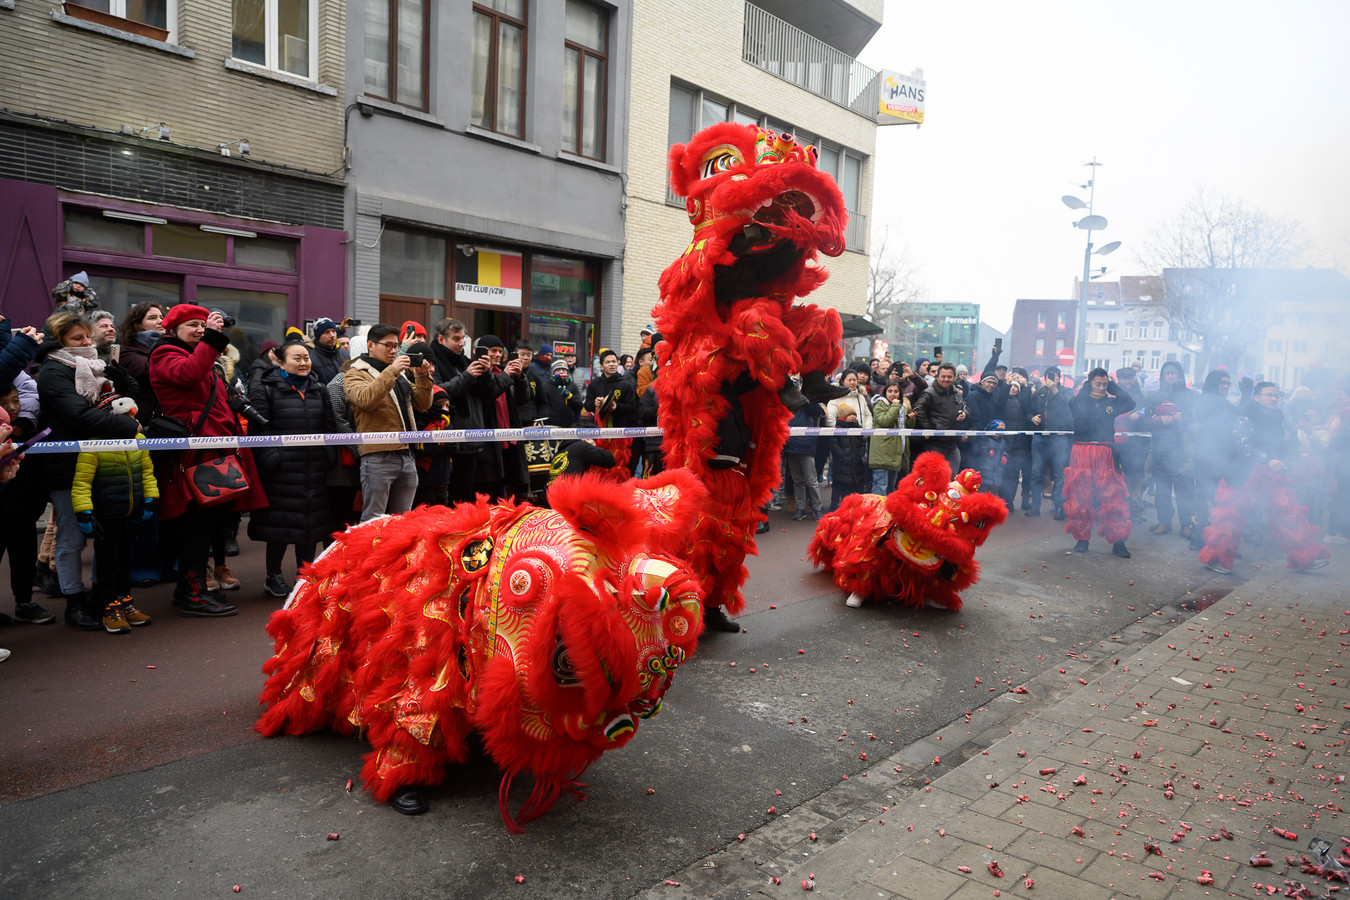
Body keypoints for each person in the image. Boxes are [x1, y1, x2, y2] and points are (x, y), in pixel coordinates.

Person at [150, 304, 268, 616]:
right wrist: (213, 339)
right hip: (196, 451)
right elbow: (189, 374)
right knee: (196, 525)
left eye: (204, 325)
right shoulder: (165, 354)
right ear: (172, 330)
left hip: (214, 448)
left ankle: (188, 590)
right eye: (193, 325)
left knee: (206, 523)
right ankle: (194, 595)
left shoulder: (201, 355)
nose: (201, 330)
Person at [36, 310, 143, 628]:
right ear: (59, 342)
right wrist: (127, 427)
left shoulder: (96, 367)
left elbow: (127, 396)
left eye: (86, 336)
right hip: (67, 466)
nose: (85, 342)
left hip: (103, 465)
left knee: (110, 536)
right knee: (72, 537)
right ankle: (74, 602)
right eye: (76, 339)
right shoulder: (53, 371)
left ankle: (105, 597)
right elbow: (79, 416)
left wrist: (119, 376)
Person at [1199, 382, 1329, 574]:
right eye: (1269, 395)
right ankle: (1216, 559)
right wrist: (1267, 459)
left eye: (1276, 395)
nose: (1274, 399)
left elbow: (1278, 444)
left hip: (1270, 474)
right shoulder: (1244, 416)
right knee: (1231, 516)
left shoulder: (1278, 416)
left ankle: (1304, 557)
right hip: (1242, 473)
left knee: (1288, 511)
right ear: (1257, 397)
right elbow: (1242, 445)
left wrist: (1290, 453)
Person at [248, 339, 338, 597]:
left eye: (306, 358)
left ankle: (305, 574)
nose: (303, 363)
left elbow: (329, 425)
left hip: (315, 467)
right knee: (280, 525)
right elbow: (258, 431)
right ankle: (273, 576)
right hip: (281, 470)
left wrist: (329, 456)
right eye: (296, 358)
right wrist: (271, 458)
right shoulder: (266, 388)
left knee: (311, 524)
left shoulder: (319, 388)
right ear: (280, 361)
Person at [70, 393, 158, 633]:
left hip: (132, 511)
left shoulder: (139, 439)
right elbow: (81, 483)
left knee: (127, 559)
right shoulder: (94, 443)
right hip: (107, 514)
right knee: (108, 562)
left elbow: (148, 472)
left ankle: (125, 601)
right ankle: (110, 607)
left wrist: (150, 499)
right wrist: (84, 513)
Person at [344, 323, 435, 521]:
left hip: (406, 455)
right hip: (377, 457)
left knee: (403, 521)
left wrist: (422, 375)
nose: (394, 350)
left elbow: (423, 404)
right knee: (373, 521)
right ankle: (370, 553)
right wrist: (392, 371)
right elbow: (366, 399)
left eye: (396, 346)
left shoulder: (397, 373)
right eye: (388, 345)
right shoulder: (355, 373)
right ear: (370, 345)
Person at [1063, 368, 1135, 558]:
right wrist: (1089, 385)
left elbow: (1130, 403)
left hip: (1105, 451)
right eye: (1098, 384)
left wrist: (1112, 385)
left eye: (1105, 384)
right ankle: (1082, 538)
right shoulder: (1079, 400)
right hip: (1081, 451)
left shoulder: (1111, 402)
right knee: (1081, 496)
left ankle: (1118, 541)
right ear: (1089, 383)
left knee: (1112, 496)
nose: (1102, 388)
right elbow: (1074, 402)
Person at [428, 318, 494, 503]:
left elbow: (488, 394)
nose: (461, 343)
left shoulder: (464, 361)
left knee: (467, 497)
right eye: (456, 339)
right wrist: (467, 376)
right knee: (448, 498)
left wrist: (486, 373)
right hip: (448, 441)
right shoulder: (433, 360)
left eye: (463, 338)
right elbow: (438, 392)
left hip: (471, 439)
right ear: (441, 339)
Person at [1026, 366, 1073, 519]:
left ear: (1060, 377)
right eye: (1049, 376)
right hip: (1040, 437)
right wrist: (1032, 418)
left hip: (1059, 437)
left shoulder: (1064, 392)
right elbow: (1029, 411)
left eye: (1055, 376)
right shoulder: (1039, 392)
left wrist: (1055, 390)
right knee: (1036, 473)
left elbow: (1068, 407)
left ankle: (1059, 507)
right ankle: (1035, 506)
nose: (1052, 379)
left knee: (1059, 474)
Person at [586, 347, 638, 470]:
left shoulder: (626, 384)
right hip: (599, 434)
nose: (612, 364)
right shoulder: (595, 384)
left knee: (618, 467)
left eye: (614, 361)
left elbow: (633, 408)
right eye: (608, 362)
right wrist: (595, 403)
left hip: (619, 435)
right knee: (599, 467)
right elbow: (587, 404)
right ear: (602, 366)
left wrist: (616, 407)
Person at [1146, 400, 1193, 535]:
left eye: (1170, 415)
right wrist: (1148, 466)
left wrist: (1188, 466)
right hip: (1161, 470)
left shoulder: (1182, 430)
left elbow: (1188, 449)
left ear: (1175, 416)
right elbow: (1152, 449)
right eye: (1164, 415)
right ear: (1159, 416)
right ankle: (1164, 523)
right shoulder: (1156, 430)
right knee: (1161, 498)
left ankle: (1186, 525)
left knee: (1184, 498)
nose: (1167, 418)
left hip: (1179, 470)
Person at [912, 362, 967, 473]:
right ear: (937, 376)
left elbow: (965, 406)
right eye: (943, 376)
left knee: (951, 483)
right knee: (935, 481)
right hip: (934, 445)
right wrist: (928, 428)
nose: (946, 379)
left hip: (953, 445)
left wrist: (965, 413)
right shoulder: (929, 393)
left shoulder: (957, 393)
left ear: (954, 377)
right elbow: (918, 409)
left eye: (949, 376)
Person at [116, 303, 165, 426]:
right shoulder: (127, 353)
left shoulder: (168, 346)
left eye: (162, 317)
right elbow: (156, 371)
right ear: (137, 324)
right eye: (152, 318)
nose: (160, 321)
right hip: (143, 421)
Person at [1114, 366, 1152, 522]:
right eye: (1124, 378)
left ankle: (1135, 509)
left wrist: (1141, 415)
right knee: (1115, 476)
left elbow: (1148, 411)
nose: (1128, 381)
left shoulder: (1143, 393)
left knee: (1135, 476)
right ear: (1119, 379)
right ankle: (1115, 509)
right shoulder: (1113, 393)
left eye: (1130, 377)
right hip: (1117, 441)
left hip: (1137, 441)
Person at [827, 401, 869, 513]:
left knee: (856, 492)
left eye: (854, 415)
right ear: (843, 416)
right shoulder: (837, 429)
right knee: (841, 490)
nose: (853, 416)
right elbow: (833, 445)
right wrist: (843, 456)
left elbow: (862, 444)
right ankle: (836, 509)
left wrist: (860, 455)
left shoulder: (858, 428)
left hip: (857, 466)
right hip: (842, 467)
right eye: (849, 414)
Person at [869, 382, 910, 495]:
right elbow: (884, 421)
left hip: (896, 454)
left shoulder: (902, 407)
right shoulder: (880, 404)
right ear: (885, 393)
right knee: (880, 488)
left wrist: (911, 418)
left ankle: (887, 512)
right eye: (890, 391)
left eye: (896, 391)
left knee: (891, 489)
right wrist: (895, 406)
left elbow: (907, 427)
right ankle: (877, 512)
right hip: (882, 454)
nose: (893, 394)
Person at [308, 317, 349, 385]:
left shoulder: (346, 354)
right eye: (327, 332)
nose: (332, 335)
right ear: (318, 336)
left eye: (334, 331)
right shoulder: (311, 359)